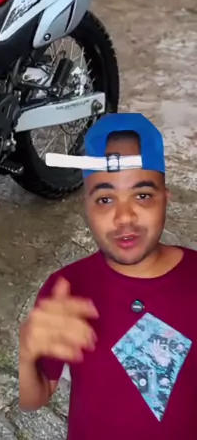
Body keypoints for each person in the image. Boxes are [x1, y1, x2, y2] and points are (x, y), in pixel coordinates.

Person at [19, 112, 197, 439]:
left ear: (165, 199)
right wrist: (27, 355)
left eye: (142, 195)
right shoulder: (66, 290)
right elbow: (35, 399)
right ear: (86, 207)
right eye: (104, 199)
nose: (124, 217)